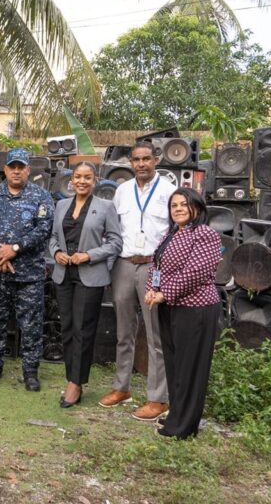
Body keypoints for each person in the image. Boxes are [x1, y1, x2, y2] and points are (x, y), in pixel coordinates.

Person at [100, 140, 176, 421]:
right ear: (130, 163)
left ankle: (158, 398)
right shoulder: (122, 191)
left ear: (156, 160)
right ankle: (122, 388)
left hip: (153, 267)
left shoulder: (168, 191)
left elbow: (175, 231)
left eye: (146, 159)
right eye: (136, 160)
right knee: (124, 331)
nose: (141, 164)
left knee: (155, 334)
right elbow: (114, 229)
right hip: (124, 264)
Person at [144, 188, 221, 439]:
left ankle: (184, 427)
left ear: (196, 207)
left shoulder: (205, 234)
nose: (177, 209)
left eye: (183, 204)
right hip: (170, 308)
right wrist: (151, 288)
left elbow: (194, 273)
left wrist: (164, 293)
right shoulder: (170, 234)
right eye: (173, 205)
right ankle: (176, 417)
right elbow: (156, 265)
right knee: (175, 366)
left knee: (190, 369)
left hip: (196, 309)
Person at [0, 147, 54, 391]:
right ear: (5, 169)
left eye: (21, 167)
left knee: (31, 324)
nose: (16, 171)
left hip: (29, 274)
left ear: (28, 170)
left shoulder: (41, 196)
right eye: (12, 167)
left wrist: (14, 249)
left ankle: (30, 371)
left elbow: (44, 229)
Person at [49, 162, 122, 407]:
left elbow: (115, 243)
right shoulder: (61, 205)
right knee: (67, 327)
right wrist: (57, 252)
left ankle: (76, 383)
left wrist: (89, 255)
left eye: (87, 177)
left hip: (89, 275)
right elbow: (53, 237)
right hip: (64, 274)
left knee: (83, 329)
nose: (82, 181)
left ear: (95, 180)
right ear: (71, 180)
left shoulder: (106, 207)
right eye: (78, 177)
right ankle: (71, 377)